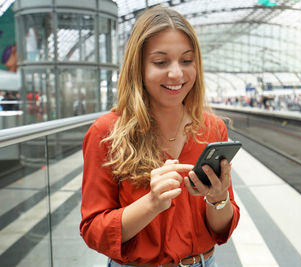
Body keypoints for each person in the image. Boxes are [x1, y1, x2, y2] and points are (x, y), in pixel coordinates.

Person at [80, 6, 240, 267]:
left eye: (186, 61)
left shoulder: (212, 129)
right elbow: (93, 230)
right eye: (160, 62)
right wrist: (152, 203)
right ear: (138, 67)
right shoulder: (106, 133)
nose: (176, 74)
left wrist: (218, 199)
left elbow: (221, 229)